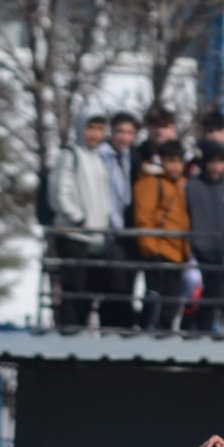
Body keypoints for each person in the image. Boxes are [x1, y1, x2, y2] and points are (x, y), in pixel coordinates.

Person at [48, 115, 114, 329]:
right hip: (74, 235)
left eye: (100, 128)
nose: (95, 134)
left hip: (95, 237)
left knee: (89, 292)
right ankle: (69, 338)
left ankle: (82, 335)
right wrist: (78, 218)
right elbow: (59, 193)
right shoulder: (69, 156)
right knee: (73, 291)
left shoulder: (99, 159)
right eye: (90, 128)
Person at [186, 140, 224, 336]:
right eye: (212, 161)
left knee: (222, 300)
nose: (216, 166)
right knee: (195, 302)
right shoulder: (192, 187)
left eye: (220, 162)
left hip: (222, 256)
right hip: (197, 255)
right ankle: (193, 338)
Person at [130, 144, 191, 332]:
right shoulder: (151, 181)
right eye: (171, 161)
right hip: (159, 250)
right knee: (155, 299)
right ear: (162, 161)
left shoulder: (182, 184)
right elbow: (144, 216)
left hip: (178, 252)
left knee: (171, 303)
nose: (175, 166)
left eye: (179, 161)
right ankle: (148, 333)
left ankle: (164, 334)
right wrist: (150, 248)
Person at [97, 111, 141, 330]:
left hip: (128, 232)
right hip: (106, 228)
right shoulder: (100, 156)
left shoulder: (134, 158)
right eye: (120, 131)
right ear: (111, 132)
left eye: (129, 132)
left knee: (126, 285)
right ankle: (113, 330)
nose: (124, 137)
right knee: (112, 284)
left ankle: (123, 329)